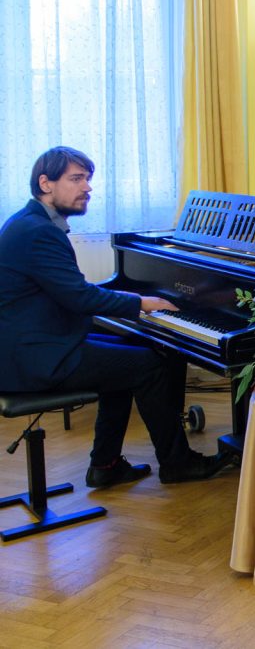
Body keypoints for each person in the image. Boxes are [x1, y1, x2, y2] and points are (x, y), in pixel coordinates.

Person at [0, 146, 233, 488]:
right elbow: (79, 297)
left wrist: (132, 300)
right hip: (36, 358)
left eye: (88, 179)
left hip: (35, 342)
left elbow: (69, 290)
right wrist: (141, 302)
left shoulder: (29, 222)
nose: (88, 188)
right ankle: (177, 463)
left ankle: (105, 465)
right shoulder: (38, 232)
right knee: (146, 366)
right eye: (76, 179)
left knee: (132, 351)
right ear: (45, 183)